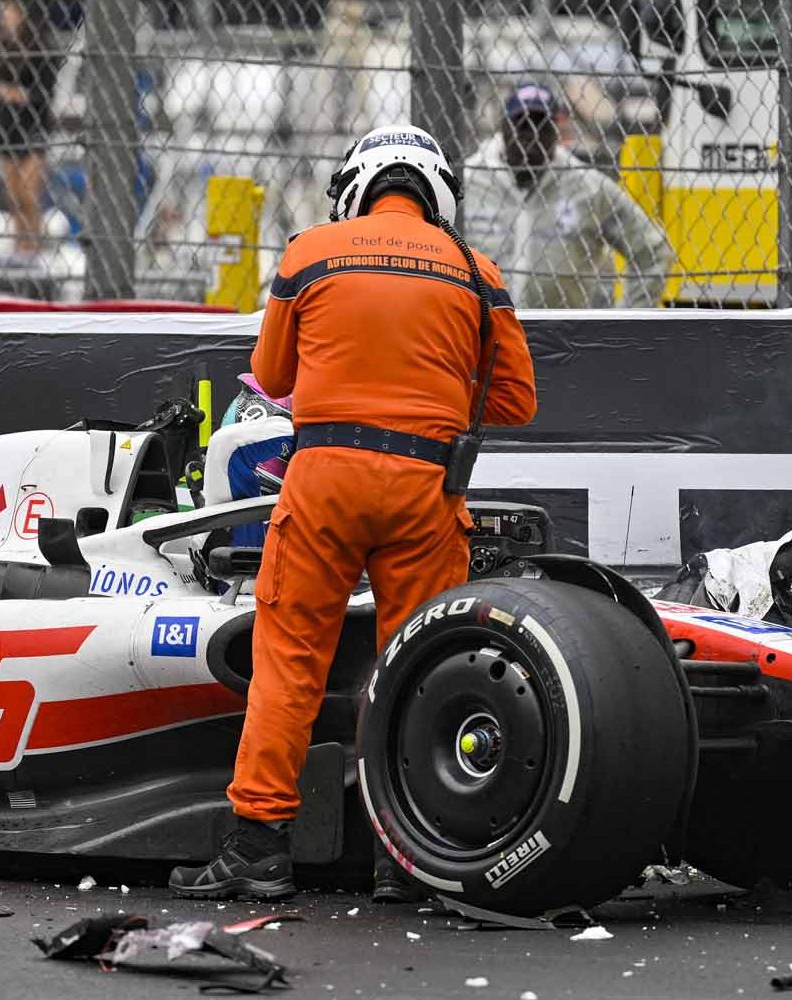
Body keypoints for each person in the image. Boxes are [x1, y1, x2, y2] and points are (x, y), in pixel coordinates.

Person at [169, 124, 537, 902]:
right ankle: (401, 858)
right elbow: (515, 400)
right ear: (437, 194)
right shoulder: (477, 272)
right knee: (415, 670)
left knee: (289, 659)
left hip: (324, 481)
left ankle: (258, 849)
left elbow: (271, 375)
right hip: (427, 492)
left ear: (356, 187)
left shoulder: (310, 253)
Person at [457, 83, 674, 309]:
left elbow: (653, 251)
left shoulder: (586, 186)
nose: (531, 136)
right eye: (522, 125)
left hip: (561, 335)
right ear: (504, 128)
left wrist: (626, 323)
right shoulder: (471, 180)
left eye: (541, 126)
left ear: (555, 133)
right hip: (482, 329)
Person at [0, 0, 58, 252]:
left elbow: (43, 93)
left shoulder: (40, 49)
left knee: (29, 195)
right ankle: (20, 246)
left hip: (33, 126)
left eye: (9, 12)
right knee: (14, 198)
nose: (4, 17)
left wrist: (15, 93)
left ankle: (33, 245)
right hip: (6, 128)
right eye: (2, 13)